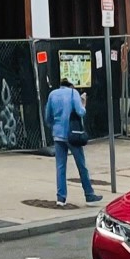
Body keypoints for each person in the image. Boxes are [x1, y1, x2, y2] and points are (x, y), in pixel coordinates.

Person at [46, 78, 103, 208]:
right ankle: (89, 194)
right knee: (81, 165)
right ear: (71, 85)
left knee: (60, 167)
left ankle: (61, 198)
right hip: (72, 134)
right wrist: (83, 103)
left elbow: (48, 116)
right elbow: (80, 112)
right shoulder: (73, 93)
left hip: (58, 134)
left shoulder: (52, 94)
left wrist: (54, 126)